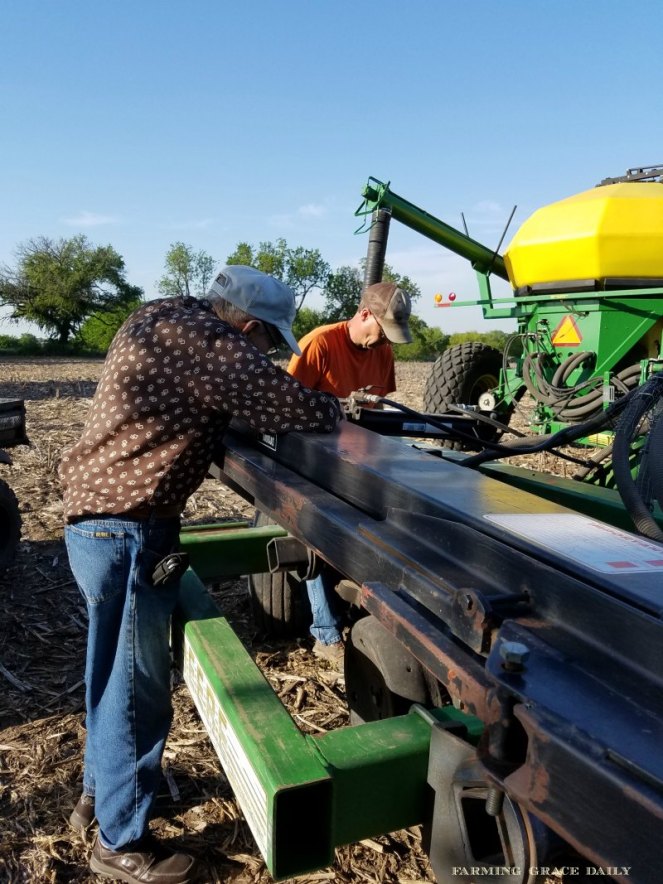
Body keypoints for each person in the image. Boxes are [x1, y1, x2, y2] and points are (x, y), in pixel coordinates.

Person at [59, 265, 342, 884]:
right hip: (129, 529)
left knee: (109, 674)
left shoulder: (161, 315)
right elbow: (293, 405)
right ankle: (119, 844)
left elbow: (210, 399)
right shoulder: (213, 345)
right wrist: (337, 405)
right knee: (135, 692)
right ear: (246, 324)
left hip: (97, 524)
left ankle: (96, 800)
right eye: (268, 340)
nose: (266, 350)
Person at [287, 281, 412, 666]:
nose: (382, 343)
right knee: (315, 533)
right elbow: (288, 406)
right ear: (363, 315)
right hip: (314, 461)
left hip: (363, 462)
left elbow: (379, 411)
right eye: (381, 332)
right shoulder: (320, 344)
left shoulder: (383, 350)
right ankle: (325, 634)